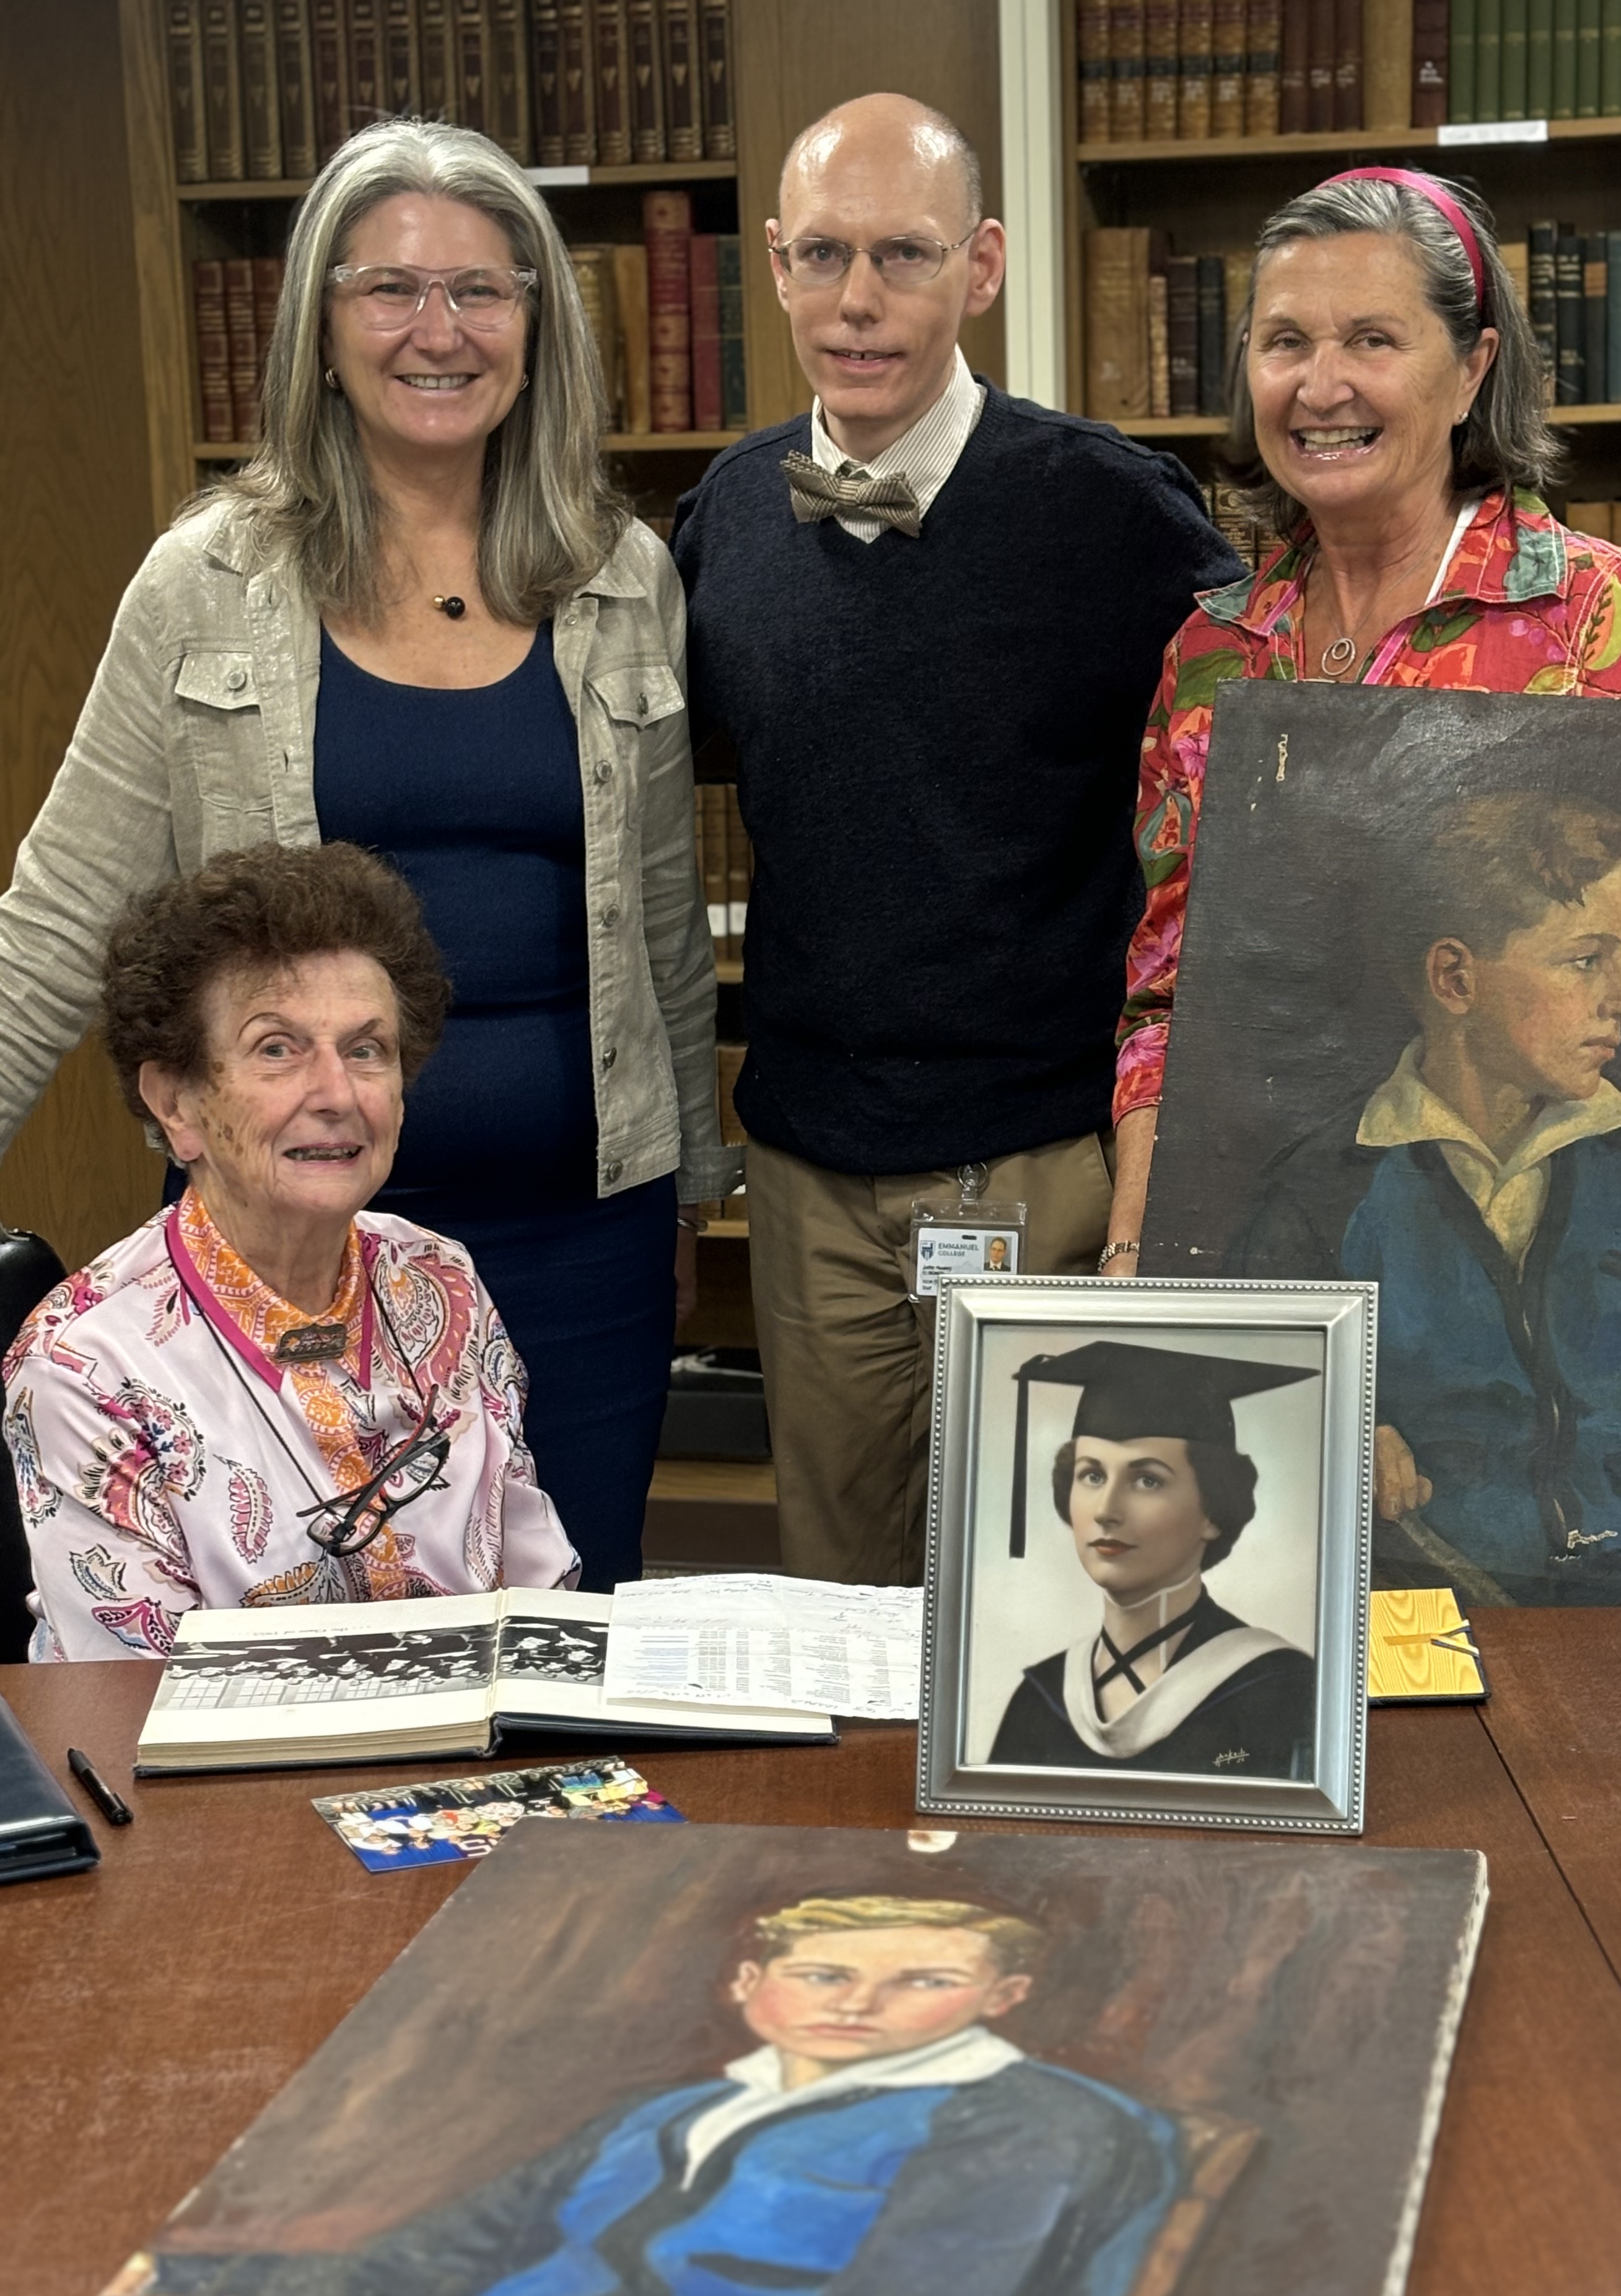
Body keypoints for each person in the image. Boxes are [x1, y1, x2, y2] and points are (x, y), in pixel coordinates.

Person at [0, 120, 736, 1590]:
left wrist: (689, 1193)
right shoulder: (205, 583)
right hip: (286, 1247)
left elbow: (661, 920)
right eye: (389, 290)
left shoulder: (619, 574)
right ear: (319, 331)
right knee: (294, 1665)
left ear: (539, 325)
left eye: (482, 290)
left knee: (564, 1648)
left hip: (580, 1244)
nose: (438, 331)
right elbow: (54, 920)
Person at [672, 93, 1241, 1586]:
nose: (859, 302)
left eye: (906, 256)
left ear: (982, 267)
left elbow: (1271, 746)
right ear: (779, 270)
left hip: (1045, 1166)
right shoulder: (725, 519)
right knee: (839, 1594)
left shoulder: (1112, 512)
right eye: (824, 255)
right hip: (810, 1174)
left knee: (1056, 1586)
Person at [1103, 167, 1621, 1277]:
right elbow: (1165, 998)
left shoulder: (1589, 616)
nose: (1318, 386)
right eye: (1284, 342)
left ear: (1472, 367)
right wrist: (1137, 1241)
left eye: (1370, 340)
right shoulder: (1209, 655)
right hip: (1265, 1221)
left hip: (1533, 1237)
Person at [1223, 795, 1621, 1607]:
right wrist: (1324, 1433)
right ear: (1456, 978)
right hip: (1417, 1625)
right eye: (1587, 959)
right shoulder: (1321, 1192)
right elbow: (1231, 1423)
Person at [147, 1893, 1181, 2296]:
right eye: (824, 1973)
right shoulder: (671, 2114)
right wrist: (164, 2282)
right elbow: (431, 2261)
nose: (859, 2003)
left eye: (923, 1980)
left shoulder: (1033, 2124)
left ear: (1002, 1997)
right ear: (748, 1986)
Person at [2, 843, 577, 1660]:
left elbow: (536, 1587)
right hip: (209, 1775)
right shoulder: (85, 1364)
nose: (338, 1094)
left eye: (366, 1049)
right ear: (177, 1101)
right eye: (278, 1049)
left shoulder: (440, 1281)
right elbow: (136, 1697)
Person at [989, 1341, 1318, 1777]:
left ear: (1213, 1511)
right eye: (1092, 1475)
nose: (1106, 1510)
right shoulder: (1039, 1698)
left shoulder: (1282, 1689)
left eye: (1147, 1480)